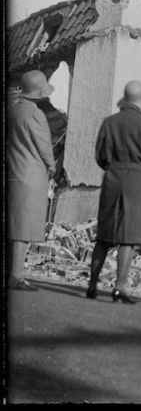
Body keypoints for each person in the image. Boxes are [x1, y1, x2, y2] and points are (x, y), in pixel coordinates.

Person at [87, 80, 141, 304]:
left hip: (113, 175)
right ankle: (119, 286)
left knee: (105, 234)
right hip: (136, 178)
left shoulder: (109, 122)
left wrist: (112, 167)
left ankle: (92, 284)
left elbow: (99, 155)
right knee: (129, 236)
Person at [7, 70, 57, 291]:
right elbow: (44, 146)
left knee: (16, 225)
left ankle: (14, 273)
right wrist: (53, 167)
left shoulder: (14, 111)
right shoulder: (35, 114)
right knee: (23, 229)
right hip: (32, 174)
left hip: (15, 171)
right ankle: (16, 276)